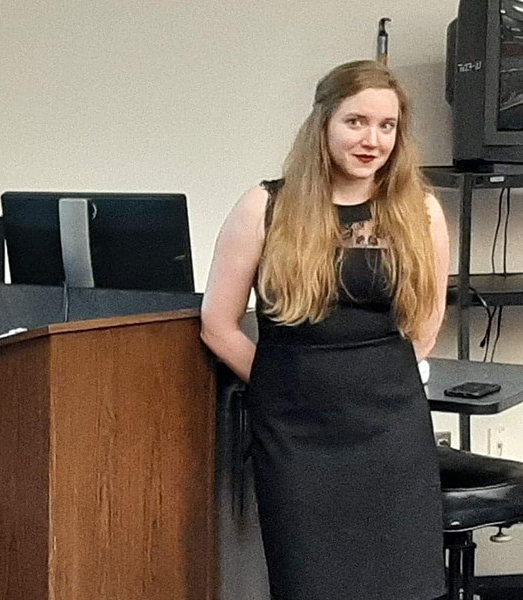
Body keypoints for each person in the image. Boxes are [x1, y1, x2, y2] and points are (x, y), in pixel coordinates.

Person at [200, 60, 450, 599]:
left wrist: (374, 379)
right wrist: (282, 386)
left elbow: (426, 321)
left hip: (392, 437)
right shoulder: (265, 207)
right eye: (356, 121)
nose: (372, 140)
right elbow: (218, 324)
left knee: (404, 586)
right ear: (324, 123)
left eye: (387, 126)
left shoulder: (421, 210)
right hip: (296, 441)